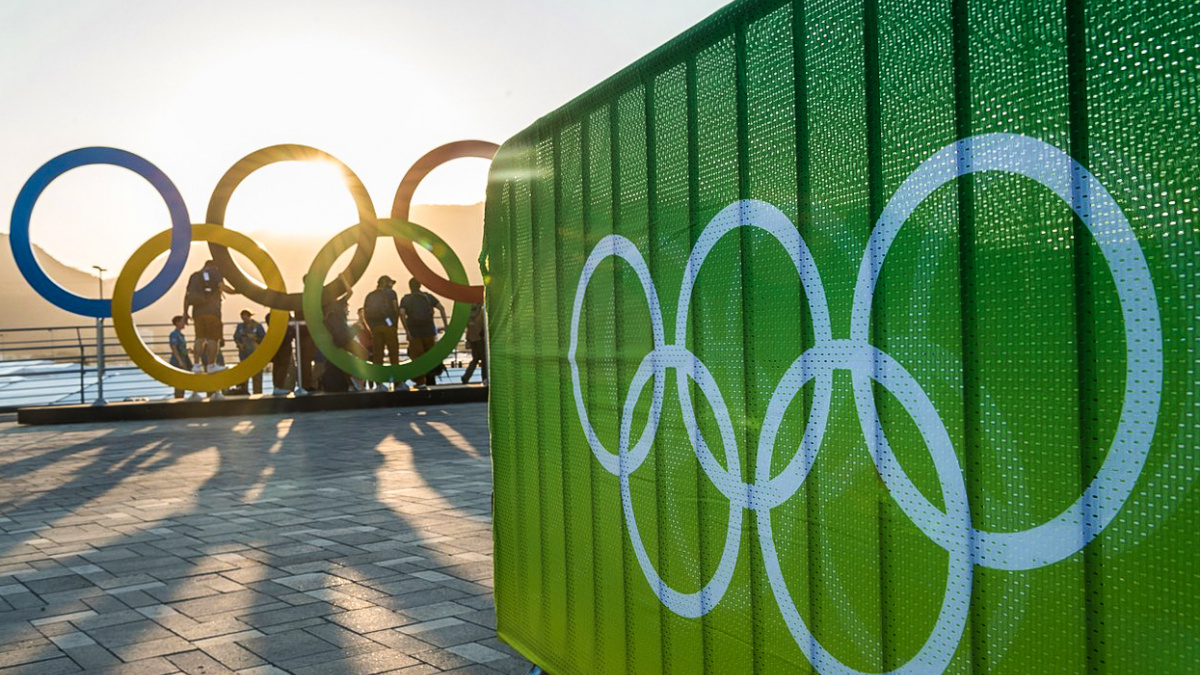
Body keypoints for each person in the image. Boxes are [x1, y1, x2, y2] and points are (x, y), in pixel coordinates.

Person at [182, 260, 235, 399]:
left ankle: (196, 365)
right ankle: (211, 365)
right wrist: (238, 291)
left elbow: (187, 296)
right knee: (213, 339)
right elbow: (223, 287)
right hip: (213, 312)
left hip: (197, 313)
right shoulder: (215, 272)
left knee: (199, 338)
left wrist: (185, 313)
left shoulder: (195, 276)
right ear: (213, 265)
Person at [400, 278, 447, 390]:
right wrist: (446, 325)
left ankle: (421, 383)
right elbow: (442, 308)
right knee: (430, 358)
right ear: (420, 285)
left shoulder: (406, 299)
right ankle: (431, 382)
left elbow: (401, 314)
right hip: (429, 331)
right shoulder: (427, 296)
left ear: (410, 286)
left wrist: (407, 331)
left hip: (415, 333)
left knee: (417, 359)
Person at [363, 275, 401, 391]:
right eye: (391, 283)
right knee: (393, 355)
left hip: (376, 328)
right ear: (387, 283)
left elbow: (365, 313)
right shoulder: (391, 293)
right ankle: (398, 383)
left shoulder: (370, 295)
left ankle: (379, 384)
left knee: (378, 356)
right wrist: (394, 324)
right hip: (389, 327)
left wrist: (372, 328)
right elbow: (396, 308)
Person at [232, 309, 266, 395]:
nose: (244, 319)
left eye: (245, 317)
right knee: (243, 376)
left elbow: (264, 339)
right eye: (242, 317)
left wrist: (255, 339)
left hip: (256, 355)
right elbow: (236, 337)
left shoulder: (257, 326)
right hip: (244, 355)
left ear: (249, 316)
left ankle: (257, 394)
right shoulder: (240, 327)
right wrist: (239, 344)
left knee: (257, 377)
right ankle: (244, 393)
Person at [167, 315, 192, 399]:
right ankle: (178, 398)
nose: (184, 323)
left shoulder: (181, 335)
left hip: (183, 360)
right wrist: (179, 361)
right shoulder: (174, 334)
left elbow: (180, 348)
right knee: (179, 382)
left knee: (183, 382)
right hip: (178, 362)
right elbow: (174, 347)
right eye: (182, 321)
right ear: (177, 323)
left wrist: (187, 351)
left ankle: (180, 397)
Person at [462, 303, 487, 385]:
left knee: (475, 359)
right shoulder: (481, 311)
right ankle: (485, 378)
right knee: (484, 360)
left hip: (471, 338)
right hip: (480, 338)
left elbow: (466, 325)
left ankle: (466, 376)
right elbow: (484, 325)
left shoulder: (467, 312)